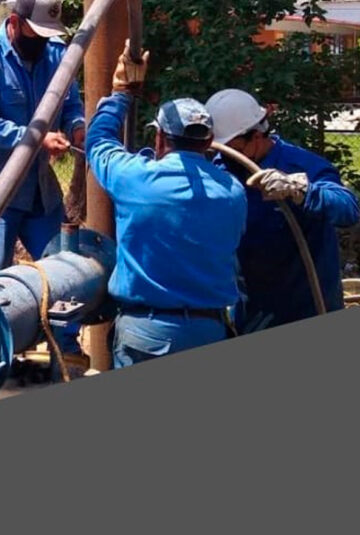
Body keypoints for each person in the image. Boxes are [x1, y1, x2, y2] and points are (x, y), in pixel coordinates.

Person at [85, 44, 248, 368]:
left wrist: (121, 94)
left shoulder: (134, 178)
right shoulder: (233, 192)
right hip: (209, 329)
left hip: (146, 333)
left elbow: (98, 141)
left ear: (159, 138)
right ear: (208, 141)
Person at [205, 89, 360, 334]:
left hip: (308, 304)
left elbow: (348, 208)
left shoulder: (300, 164)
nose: (225, 156)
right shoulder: (222, 169)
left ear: (256, 136)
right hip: (253, 307)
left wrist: (300, 190)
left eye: (232, 148)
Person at [0, 0, 86, 273]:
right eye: (36, 34)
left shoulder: (56, 54)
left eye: (47, 35)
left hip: (39, 188)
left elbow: (71, 104)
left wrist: (77, 127)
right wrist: (38, 138)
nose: (41, 42)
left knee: (64, 269)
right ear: (14, 22)